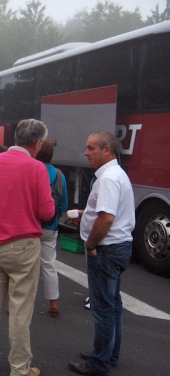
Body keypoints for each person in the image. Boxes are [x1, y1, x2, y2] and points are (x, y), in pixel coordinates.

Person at [0, 119, 55, 376]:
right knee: (20, 309)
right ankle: (19, 368)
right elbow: (46, 211)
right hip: (23, 245)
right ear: (37, 143)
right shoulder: (37, 168)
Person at [68, 132, 135, 376]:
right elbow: (106, 211)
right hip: (119, 247)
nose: (86, 153)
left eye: (91, 148)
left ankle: (98, 364)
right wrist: (85, 212)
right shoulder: (117, 175)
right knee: (113, 304)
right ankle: (108, 354)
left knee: (103, 308)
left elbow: (107, 218)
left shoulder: (107, 178)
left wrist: (91, 244)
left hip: (106, 250)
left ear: (107, 150)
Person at [35, 140, 68, 317]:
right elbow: (63, 205)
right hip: (50, 226)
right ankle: (53, 302)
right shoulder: (60, 175)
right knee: (49, 265)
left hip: (31, 227)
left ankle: (16, 304)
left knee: (26, 268)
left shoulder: (32, 170)